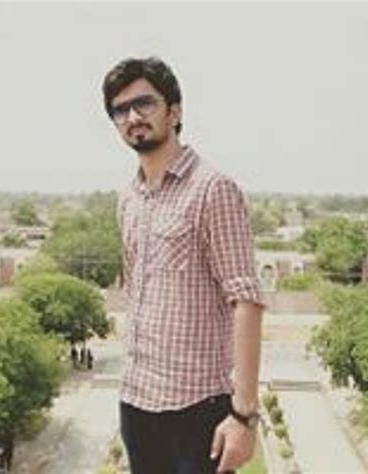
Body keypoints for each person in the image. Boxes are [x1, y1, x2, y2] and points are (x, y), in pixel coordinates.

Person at [102, 57, 265, 474]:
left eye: (144, 103)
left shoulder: (212, 189)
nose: (132, 117)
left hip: (197, 409)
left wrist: (243, 415)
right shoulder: (129, 198)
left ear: (174, 111)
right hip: (136, 403)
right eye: (120, 110)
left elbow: (246, 301)